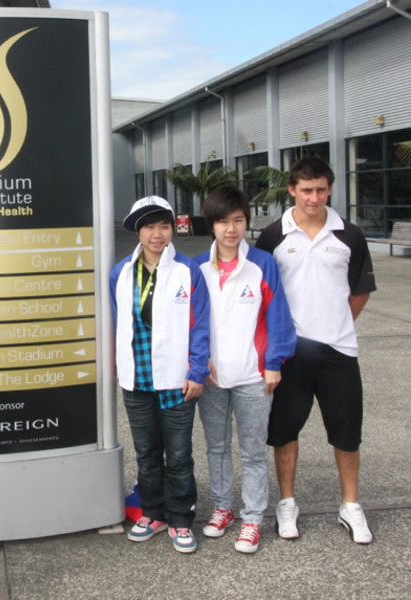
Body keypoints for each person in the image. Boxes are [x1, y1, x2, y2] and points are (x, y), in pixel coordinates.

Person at [256, 156, 377, 544]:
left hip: (338, 350)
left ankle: (350, 505)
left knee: (346, 431)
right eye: (306, 190)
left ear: (330, 189)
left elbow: (359, 292)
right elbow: (262, 294)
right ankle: (287, 502)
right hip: (289, 353)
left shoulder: (350, 235)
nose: (314, 197)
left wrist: (335, 324)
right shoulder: (273, 236)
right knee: (284, 430)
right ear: (292, 189)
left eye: (321, 190)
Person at [195, 186, 297, 553]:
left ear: (246, 223)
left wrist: (273, 364)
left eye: (238, 220)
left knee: (253, 451)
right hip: (212, 377)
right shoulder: (197, 269)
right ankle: (222, 509)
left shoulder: (262, 264)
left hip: (254, 377)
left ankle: (252, 518)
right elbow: (191, 321)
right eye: (222, 221)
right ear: (212, 225)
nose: (230, 229)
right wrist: (197, 361)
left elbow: (279, 316)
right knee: (217, 448)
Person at [110, 195, 210, 554]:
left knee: (179, 454)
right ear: (138, 231)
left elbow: (201, 325)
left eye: (164, 225)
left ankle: (181, 517)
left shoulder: (187, 270)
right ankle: (152, 513)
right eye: (149, 226)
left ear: (172, 229)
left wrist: (198, 370)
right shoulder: (121, 272)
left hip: (176, 379)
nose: (157, 234)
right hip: (137, 378)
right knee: (147, 452)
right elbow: (116, 322)